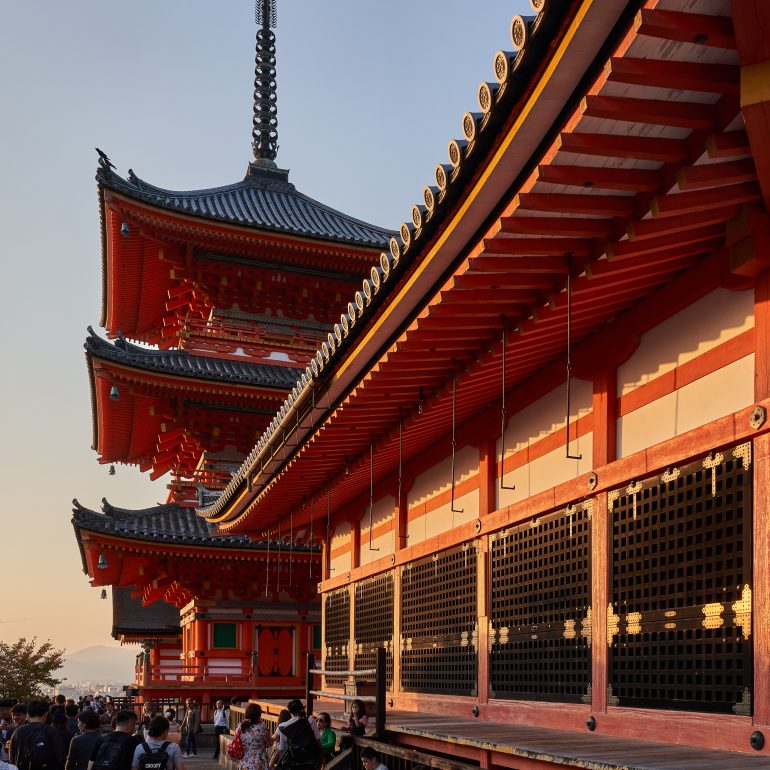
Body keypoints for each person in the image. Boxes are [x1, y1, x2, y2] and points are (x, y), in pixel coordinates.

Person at [9, 700, 66, 770]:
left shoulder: (18, 731)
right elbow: (60, 757)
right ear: (46, 714)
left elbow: (12, 757)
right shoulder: (52, 731)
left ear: (28, 714)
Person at [275, 700, 320, 770]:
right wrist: (321, 757)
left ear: (290, 711)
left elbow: (282, 748)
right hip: (310, 759)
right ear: (302, 708)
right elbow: (317, 740)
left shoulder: (283, 726)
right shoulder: (310, 720)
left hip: (293, 761)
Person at [237, 705, 268, 770]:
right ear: (259, 715)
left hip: (245, 761)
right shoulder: (262, 728)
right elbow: (269, 743)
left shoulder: (240, 727)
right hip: (260, 762)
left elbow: (237, 742)